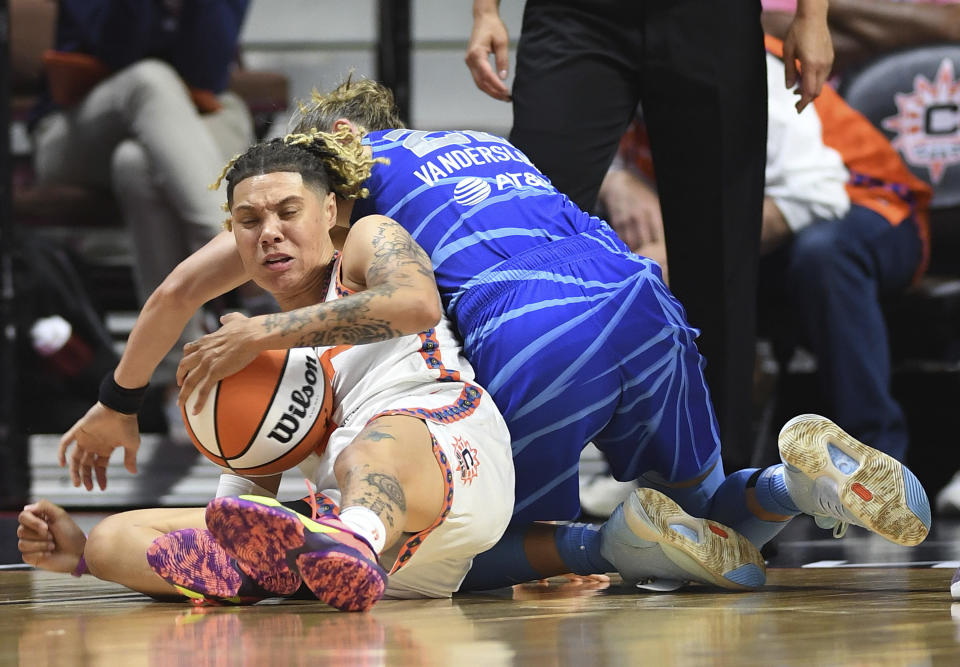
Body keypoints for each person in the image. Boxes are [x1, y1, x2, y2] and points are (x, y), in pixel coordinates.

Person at [59, 80, 931, 597]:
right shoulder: (480, 143)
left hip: (534, 325)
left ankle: (607, 541)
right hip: (639, 299)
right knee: (707, 505)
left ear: (337, 152)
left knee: (460, 559)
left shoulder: (353, 191)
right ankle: (787, 484)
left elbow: (181, 286)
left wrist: (118, 401)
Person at [464, 0, 834, 471]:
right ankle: (505, 479)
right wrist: (485, 11)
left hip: (709, 20)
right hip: (576, 15)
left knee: (718, 263)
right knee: (528, 240)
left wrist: (813, 15)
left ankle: (718, 494)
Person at [599, 36, 932, 466]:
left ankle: (874, 460)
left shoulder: (749, 68)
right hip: (746, 222)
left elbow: (817, 192)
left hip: (868, 205)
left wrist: (680, 251)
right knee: (616, 254)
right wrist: (617, 179)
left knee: (822, 256)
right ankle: (655, 466)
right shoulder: (613, 68)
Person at [29, 0, 257, 396]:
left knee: (136, 165)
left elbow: (206, 69)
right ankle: (237, 249)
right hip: (81, 128)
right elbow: (117, 49)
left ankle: (175, 375)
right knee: (151, 79)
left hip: (192, 120)